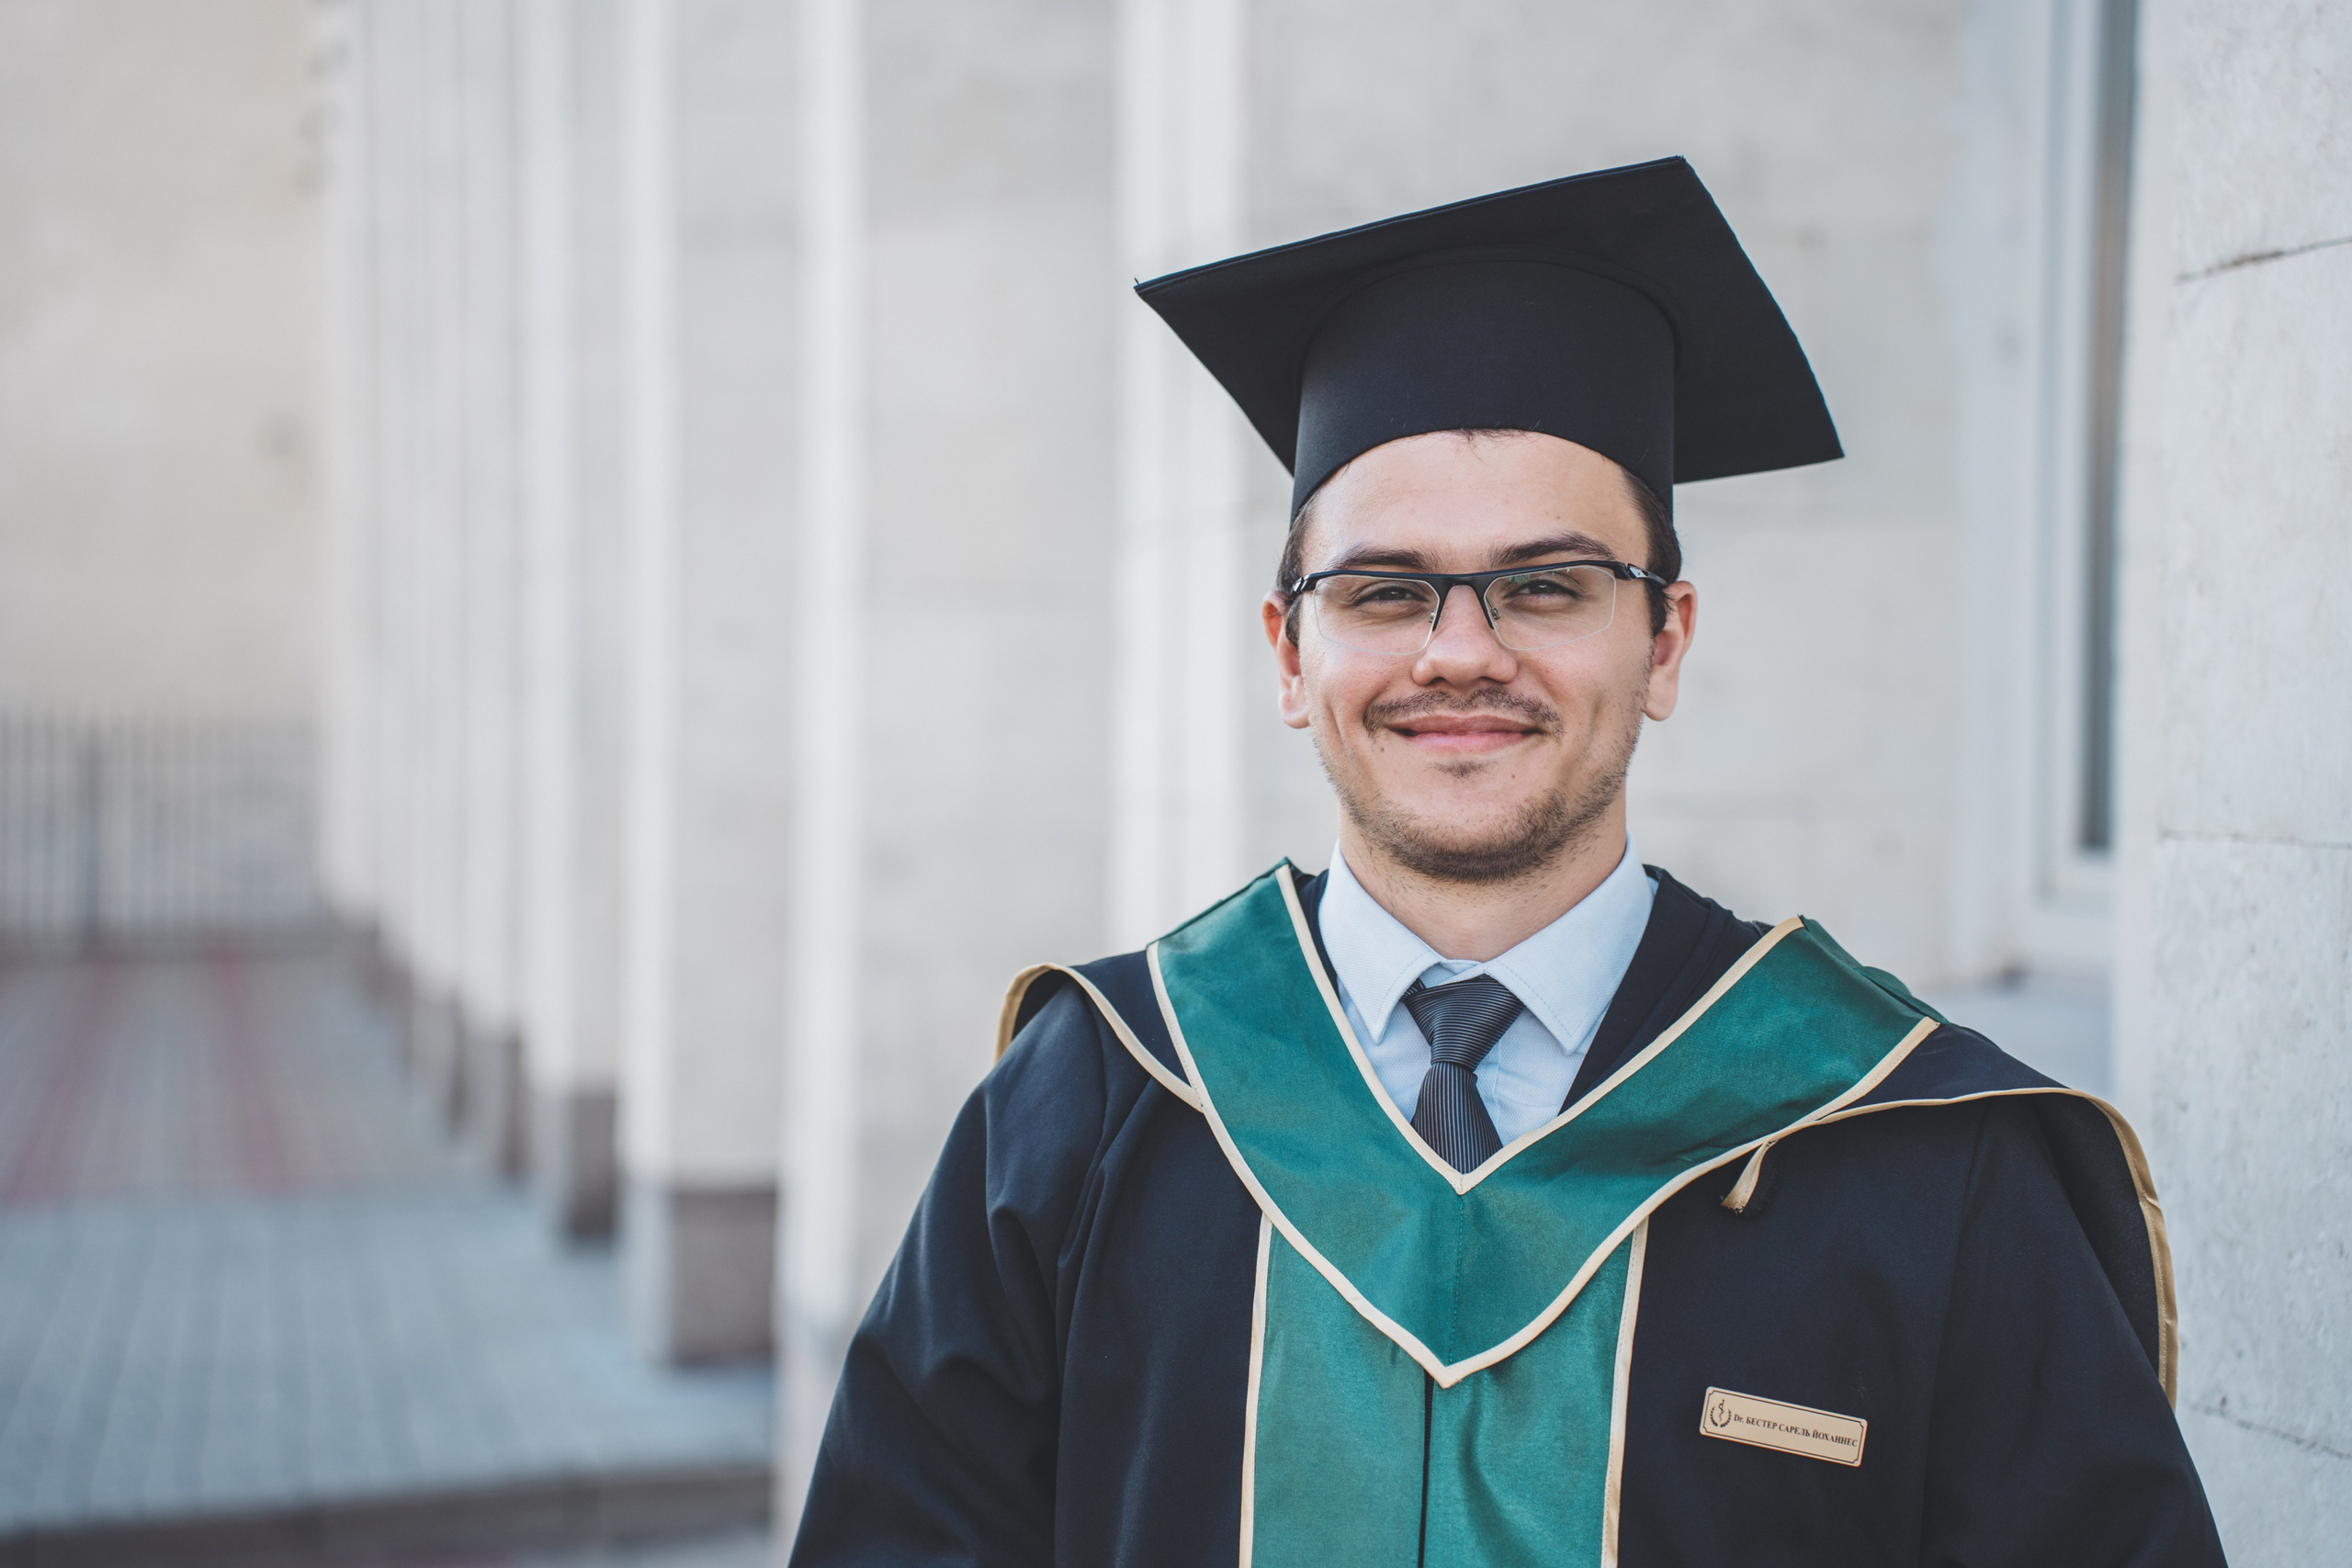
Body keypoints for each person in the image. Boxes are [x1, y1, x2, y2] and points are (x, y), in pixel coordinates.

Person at [786, 159, 2223, 1567]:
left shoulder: (1920, 1158)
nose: (1459, 651)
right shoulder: (1091, 1114)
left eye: (1547, 585)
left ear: (1664, 642)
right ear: (1292, 655)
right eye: (1386, 590)